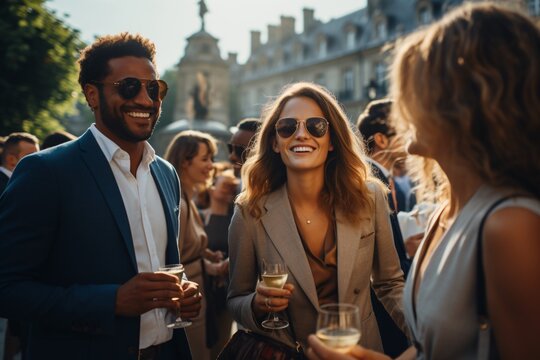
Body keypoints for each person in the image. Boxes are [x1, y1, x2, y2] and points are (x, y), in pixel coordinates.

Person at [306, 3, 540, 359]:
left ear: (472, 104)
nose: (403, 107)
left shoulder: (511, 225)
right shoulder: (444, 211)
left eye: (419, 89)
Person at [0, 32, 202, 359]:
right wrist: (111, 301)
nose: (146, 100)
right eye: (129, 87)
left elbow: (161, 263)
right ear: (92, 95)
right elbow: (7, 288)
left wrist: (183, 293)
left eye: (154, 88)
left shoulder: (165, 173)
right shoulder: (46, 172)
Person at [227, 82, 407, 352]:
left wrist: (429, 335)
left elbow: (390, 284)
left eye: (316, 127)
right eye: (288, 127)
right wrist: (256, 303)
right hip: (289, 352)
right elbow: (235, 299)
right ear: (275, 143)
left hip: (360, 351)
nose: (301, 135)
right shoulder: (249, 211)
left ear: (332, 140)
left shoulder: (370, 197)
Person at [164, 130, 227, 360]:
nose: (212, 165)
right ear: (184, 161)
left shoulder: (187, 199)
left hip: (196, 297)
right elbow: (172, 261)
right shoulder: (178, 203)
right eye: (205, 159)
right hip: (185, 303)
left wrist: (208, 258)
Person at [357, 99, 410, 356]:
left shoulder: (394, 184)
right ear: (381, 139)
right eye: (404, 131)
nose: (411, 138)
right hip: (379, 313)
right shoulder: (366, 184)